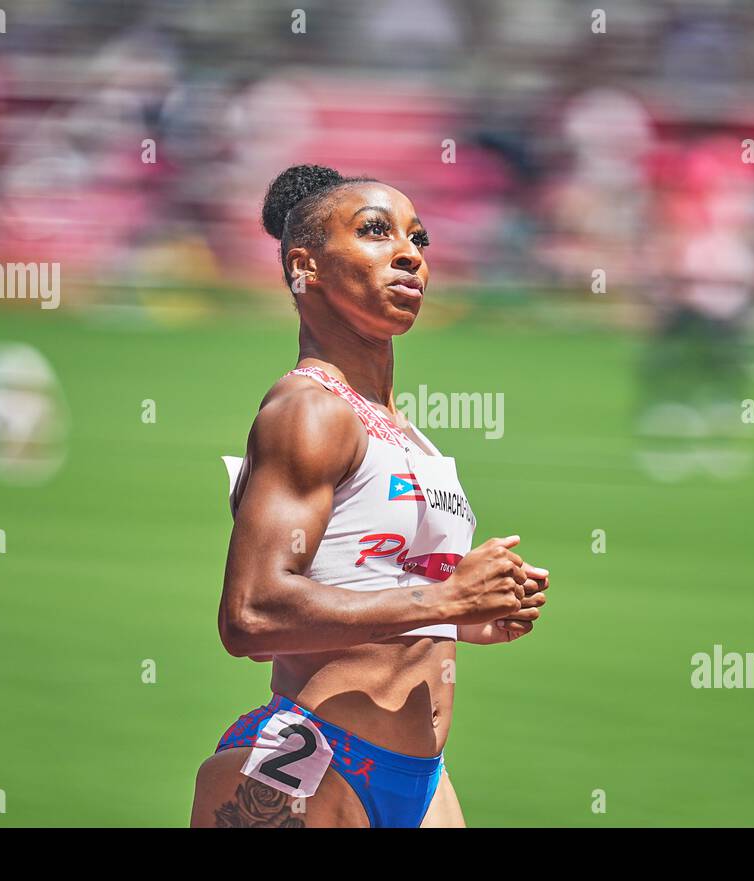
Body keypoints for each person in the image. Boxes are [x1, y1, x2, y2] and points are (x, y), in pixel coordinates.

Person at [189, 164, 550, 828]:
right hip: (308, 758)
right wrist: (445, 599)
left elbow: (372, 584)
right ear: (308, 267)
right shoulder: (307, 409)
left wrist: (467, 618)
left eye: (418, 237)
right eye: (376, 232)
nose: (410, 253)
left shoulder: (407, 433)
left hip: (422, 779)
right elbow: (250, 615)